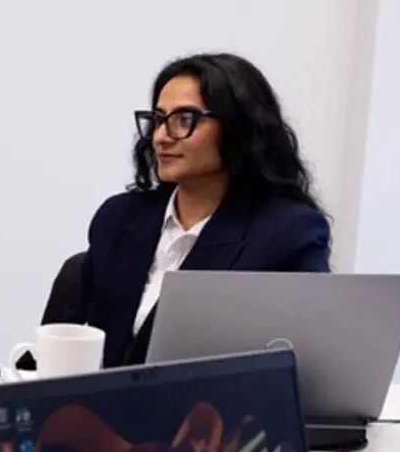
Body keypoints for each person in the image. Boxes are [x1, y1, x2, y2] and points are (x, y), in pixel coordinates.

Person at [77, 52, 330, 368]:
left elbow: (306, 364)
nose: (160, 137)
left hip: (222, 413)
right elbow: (77, 342)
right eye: (158, 119)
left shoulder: (288, 233)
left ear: (238, 129)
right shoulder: (118, 218)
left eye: (184, 119)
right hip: (103, 410)